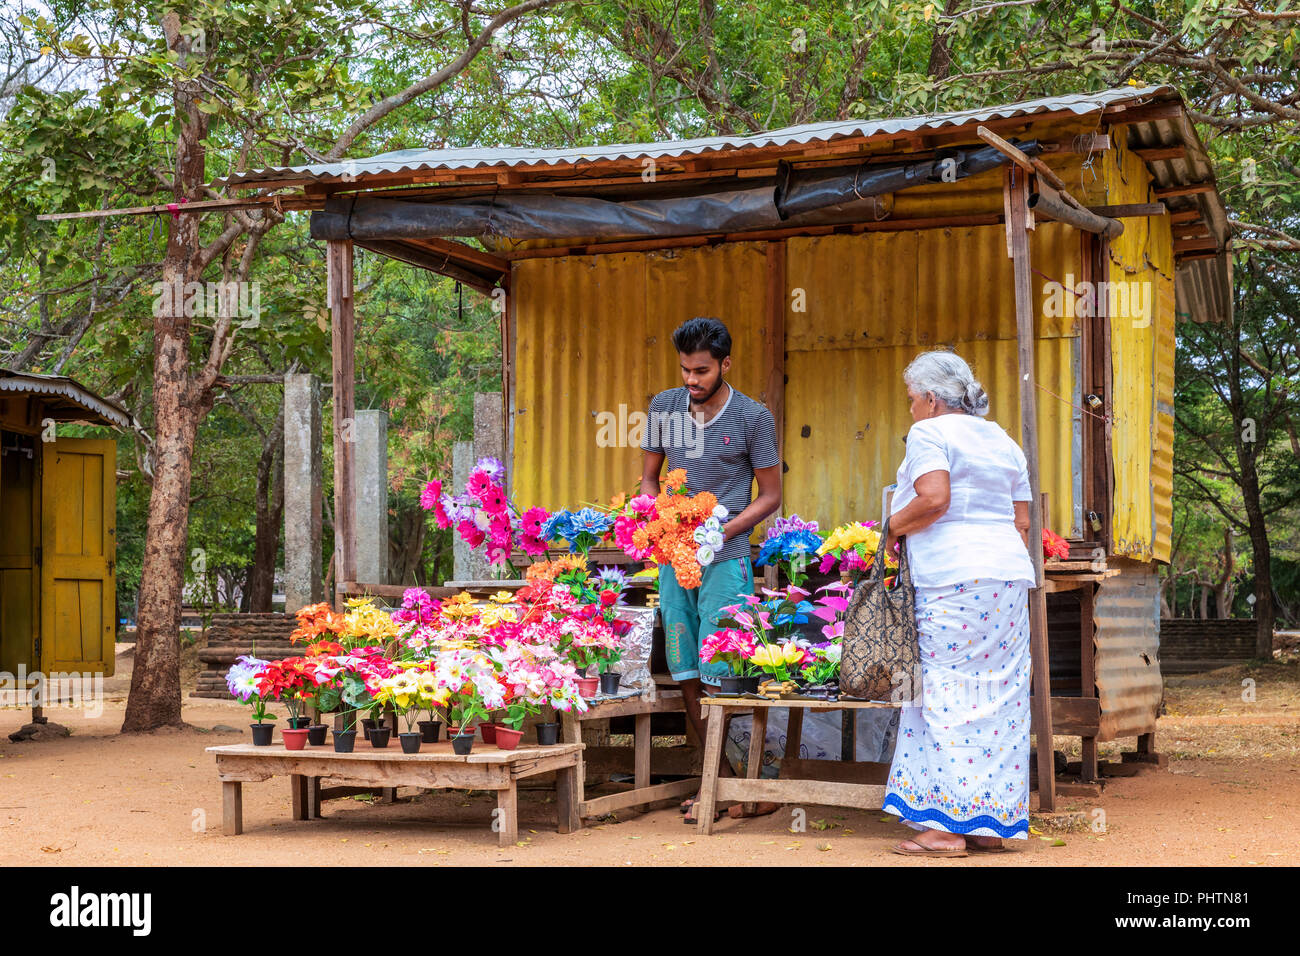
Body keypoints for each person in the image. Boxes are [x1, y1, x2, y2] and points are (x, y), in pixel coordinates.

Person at [880, 349, 1037, 857]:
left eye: (910, 400)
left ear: (930, 398)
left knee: (947, 696)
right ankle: (988, 819)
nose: (910, 410)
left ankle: (946, 829)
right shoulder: (1003, 439)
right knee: (998, 698)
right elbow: (1022, 522)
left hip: (953, 581)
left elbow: (934, 499)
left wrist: (891, 526)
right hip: (1006, 580)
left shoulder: (930, 433)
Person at [639, 316, 781, 824]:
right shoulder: (664, 407)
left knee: (727, 677)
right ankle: (714, 784)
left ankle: (750, 784)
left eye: (701, 371)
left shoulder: (752, 417)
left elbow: (770, 495)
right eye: (684, 370)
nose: (691, 381)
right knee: (688, 675)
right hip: (673, 562)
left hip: (725, 561)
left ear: (725, 364)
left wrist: (721, 531)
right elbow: (648, 480)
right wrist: (654, 518)